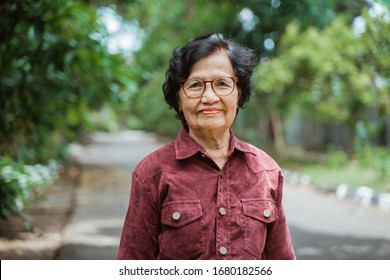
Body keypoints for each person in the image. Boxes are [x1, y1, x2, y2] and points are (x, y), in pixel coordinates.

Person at [117, 34, 296, 260]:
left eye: (222, 84)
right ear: (178, 99)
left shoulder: (266, 171)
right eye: (195, 85)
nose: (209, 97)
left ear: (239, 92)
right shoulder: (152, 173)